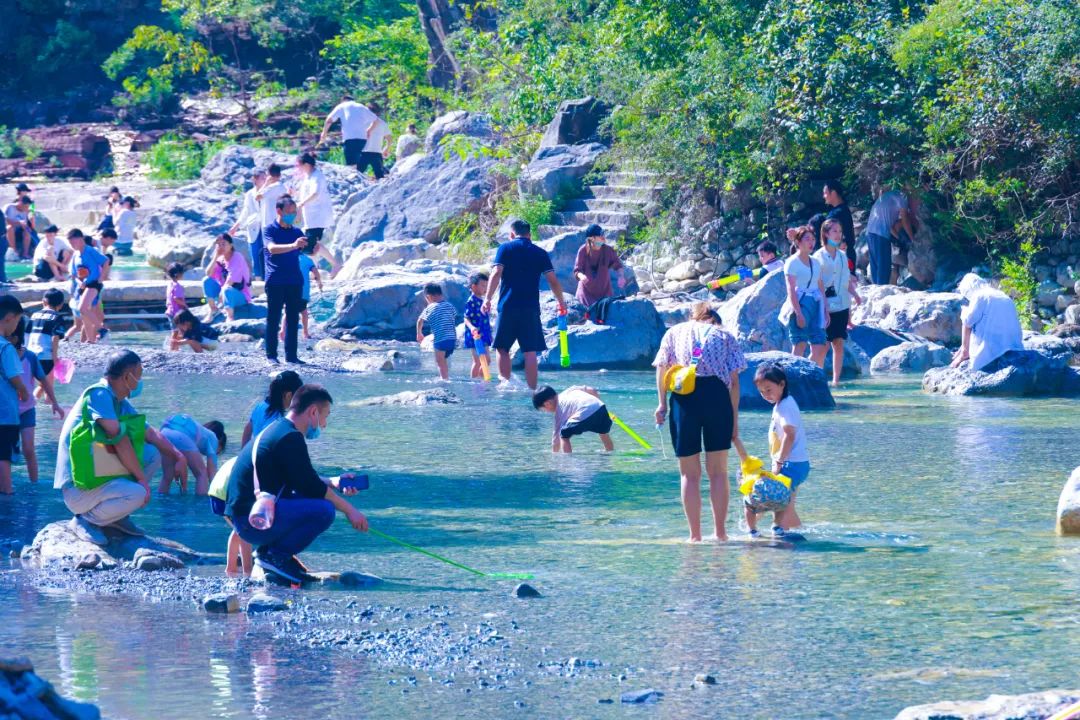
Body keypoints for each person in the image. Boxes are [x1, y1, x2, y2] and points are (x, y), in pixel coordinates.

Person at [224, 384, 369, 584]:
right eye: (325, 416)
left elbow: (302, 479)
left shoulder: (279, 429)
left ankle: (270, 554)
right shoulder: (290, 438)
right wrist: (351, 511)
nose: (324, 424)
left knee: (318, 501)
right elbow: (312, 488)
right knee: (324, 510)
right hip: (251, 522)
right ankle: (275, 556)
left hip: (246, 518)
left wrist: (334, 482)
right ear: (313, 412)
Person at [54, 350, 186, 545]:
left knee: (152, 453)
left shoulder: (119, 401)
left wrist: (179, 456)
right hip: (78, 489)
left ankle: (115, 517)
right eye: (139, 375)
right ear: (127, 377)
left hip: (96, 479)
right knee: (138, 493)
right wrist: (142, 481)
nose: (140, 381)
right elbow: (117, 438)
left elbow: (149, 433)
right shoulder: (99, 394)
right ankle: (86, 520)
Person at [653, 302, 747, 542]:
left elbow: (662, 368)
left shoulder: (674, 332)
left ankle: (694, 537)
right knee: (718, 472)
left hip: (684, 398)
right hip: (717, 397)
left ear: (692, 316)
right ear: (714, 319)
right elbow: (735, 381)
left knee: (689, 474)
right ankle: (721, 534)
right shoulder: (724, 335)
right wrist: (734, 420)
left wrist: (662, 404)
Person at [482, 219, 567, 389]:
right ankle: (533, 390)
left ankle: (505, 386)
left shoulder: (505, 248)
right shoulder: (540, 252)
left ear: (511, 234)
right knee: (530, 351)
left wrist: (487, 299)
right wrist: (561, 302)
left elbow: (496, 273)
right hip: (530, 308)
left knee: (502, 348)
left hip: (507, 306)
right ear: (530, 235)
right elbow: (553, 280)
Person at [750, 364, 811, 536]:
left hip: (790, 464)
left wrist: (778, 462)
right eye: (762, 392)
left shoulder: (785, 406)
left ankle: (782, 539)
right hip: (796, 463)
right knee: (787, 506)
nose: (766, 395)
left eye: (769, 389)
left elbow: (789, 435)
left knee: (779, 504)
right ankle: (801, 534)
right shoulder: (783, 403)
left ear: (782, 384)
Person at [10, 317, 65, 483]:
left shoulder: (30, 357)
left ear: (16, 336)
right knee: (7, 452)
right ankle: (7, 483)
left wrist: (55, 403)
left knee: (28, 449)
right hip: (6, 412)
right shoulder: (3, 356)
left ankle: (34, 483)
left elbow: (44, 381)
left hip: (27, 410)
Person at [813, 219, 862, 385]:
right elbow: (817, 282)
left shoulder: (842, 256)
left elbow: (846, 279)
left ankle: (836, 381)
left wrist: (855, 294)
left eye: (840, 231)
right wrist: (823, 305)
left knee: (839, 342)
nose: (838, 235)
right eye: (834, 231)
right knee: (823, 345)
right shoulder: (818, 257)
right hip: (825, 306)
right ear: (826, 234)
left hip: (842, 304)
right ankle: (817, 379)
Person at [262, 196, 308, 365]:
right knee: (273, 318)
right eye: (289, 212)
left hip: (294, 280)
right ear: (279, 211)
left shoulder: (297, 232)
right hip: (275, 280)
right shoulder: (269, 230)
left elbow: (306, 251)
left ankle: (291, 356)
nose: (292, 215)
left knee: (293, 319)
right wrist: (293, 245)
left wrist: (312, 246)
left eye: (294, 212)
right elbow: (272, 248)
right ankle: (271, 355)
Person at [950, 273, 1024, 371]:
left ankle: (964, 353)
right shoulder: (1001, 294)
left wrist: (964, 311)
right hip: (1014, 344)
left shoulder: (979, 295)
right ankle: (963, 349)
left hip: (993, 350)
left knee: (966, 316)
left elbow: (968, 322)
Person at [780, 225, 830, 368]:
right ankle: (794, 376)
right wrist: (798, 313)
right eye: (807, 239)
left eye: (813, 239)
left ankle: (813, 375)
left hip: (816, 303)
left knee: (820, 345)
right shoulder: (792, 262)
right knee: (799, 344)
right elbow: (791, 289)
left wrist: (826, 309)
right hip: (800, 302)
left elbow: (820, 285)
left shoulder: (815, 262)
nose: (811, 242)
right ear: (798, 242)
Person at [152, 414, 225, 495]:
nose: (216, 453)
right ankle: (201, 501)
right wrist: (218, 494)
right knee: (201, 474)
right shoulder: (214, 438)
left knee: (167, 476)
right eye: (218, 452)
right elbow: (212, 473)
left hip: (164, 432)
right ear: (220, 443)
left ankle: (162, 499)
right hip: (181, 435)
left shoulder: (199, 431)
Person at [0, 296, 30, 494]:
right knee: (3, 455)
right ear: (9, 318)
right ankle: (7, 493)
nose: (17, 326)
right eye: (18, 321)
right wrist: (24, 391)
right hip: (4, 414)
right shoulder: (5, 347)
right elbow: (14, 377)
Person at [293, 153, 340, 276]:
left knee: (309, 245)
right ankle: (316, 271)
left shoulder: (317, 176)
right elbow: (306, 194)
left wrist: (301, 204)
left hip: (318, 216)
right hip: (310, 217)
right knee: (311, 244)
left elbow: (315, 193)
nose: (298, 168)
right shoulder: (308, 177)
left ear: (307, 165)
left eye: (299, 165)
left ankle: (334, 265)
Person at [533, 385, 614, 453]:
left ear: (547, 403)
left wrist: (554, 454)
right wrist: (596, 406)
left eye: (543, 410)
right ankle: (609, 452)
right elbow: (592, 390)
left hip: (585, 411)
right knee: (603, 431)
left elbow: (555, 440)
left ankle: (567, 460)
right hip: (600, 407)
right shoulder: (570, 390)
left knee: (564, 434)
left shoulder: (559, 410)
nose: (546, 412)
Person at [208, 456, 253, 577]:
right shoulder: (256, 461)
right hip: (226, 496)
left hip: (215, 494)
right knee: (245, 532)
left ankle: (231, 569)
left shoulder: (244, 457)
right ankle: (248, 573)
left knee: (238, 531)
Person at [865, 189, 916, 285]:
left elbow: (890, 226)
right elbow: (905, 220)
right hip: (880, 234)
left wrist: (899, 238)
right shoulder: (903, 196)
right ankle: (881, 289)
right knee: (884, 266)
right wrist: (912, 239)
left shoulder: (889, 196)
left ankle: (876, 288)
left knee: (876, 265)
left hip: (870, 232)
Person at [240, 370, 302, 447]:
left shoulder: (261, 406)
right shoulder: (276, 419)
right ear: (288, 395)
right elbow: (266, 443)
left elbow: (248, 429)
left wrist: (244, 451)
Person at [67, 229, 108, 343]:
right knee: (84, 314)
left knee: (82, 308)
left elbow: (105, 261)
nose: (72, 245)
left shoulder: (90, 251)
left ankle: (101, 329)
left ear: (80, 239)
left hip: (93, 284)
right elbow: (74, 274)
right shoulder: (75, 255)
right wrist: (79, 282)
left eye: (73, 242)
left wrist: (101, 277)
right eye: (70, 243)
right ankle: (90, 340)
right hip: (82, 287)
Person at [319, 95, 377, 174]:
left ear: (343, 100)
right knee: (360, 165)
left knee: (351, 166)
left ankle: (355, 179)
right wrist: (369, 131)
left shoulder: (342, 106)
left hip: (350, 139)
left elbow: (329, 120)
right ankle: (361, 177)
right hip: (363, 139)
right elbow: (375, 120)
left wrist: (324, 133)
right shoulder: (360, 106)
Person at [573, 224, 626, 308]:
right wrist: (582, 276)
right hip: (585, 295)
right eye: (600, 235)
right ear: (592, 238)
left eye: (603, 235)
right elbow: (577, 271)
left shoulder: (608, 250)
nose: (603, 238)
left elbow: (618, 266)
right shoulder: (583, 251)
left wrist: (621, 276)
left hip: (605, 294)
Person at [202, 234, 251, 321]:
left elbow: (232, 279)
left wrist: (222, 293)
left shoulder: (237, 257)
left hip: (240, 295)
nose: (221, 247)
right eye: (218, 244)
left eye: (223, 244)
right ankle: (213, 309)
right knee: (206, 280)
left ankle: (230, 316)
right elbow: (208, 274)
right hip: (224, 292)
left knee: (226, 289)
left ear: (231, 245)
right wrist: (215, 257)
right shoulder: (221, 259)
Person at [28, 289, 67, 397]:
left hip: (30, 355)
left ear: (44, 301)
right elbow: (55, 338)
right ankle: (46, 405)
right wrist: (55, 359)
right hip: (45, 356)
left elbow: (26, 335)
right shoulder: (57, 317)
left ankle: (32, 403)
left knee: (41, 385)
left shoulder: (34, 315)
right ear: (61, 304)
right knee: (47, 386)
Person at [253, 164, 287, 281]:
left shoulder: (272, 187)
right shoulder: (282, 187)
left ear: (269, 175)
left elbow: (257, 197)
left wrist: (265, 184)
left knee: (269, 250)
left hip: (268, 223)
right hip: (279, 222)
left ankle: (270, 276)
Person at [416, 283, 457, 381]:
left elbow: (420, 321)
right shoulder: (449, 305)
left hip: (440, 339)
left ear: (428, 297)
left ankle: (444, 380)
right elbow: (453, 316)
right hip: (452, 339)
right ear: (441, 294)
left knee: (440, 361)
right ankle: (446, 376)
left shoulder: (429, 308)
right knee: (445, 359)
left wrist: (419, 333)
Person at [228, 167, 265, 271]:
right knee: (255, 257)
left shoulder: (268, 191)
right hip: (254, 227)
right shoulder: (249, 194)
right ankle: (258, 278)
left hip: (266, 226)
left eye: (265, 178)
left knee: (268, 256)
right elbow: (246, 211)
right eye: (262, 178)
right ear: (255, 179)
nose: (265, 180)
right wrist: (236, 226)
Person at [281, 252, 321, 341]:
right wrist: (319, 282)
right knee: (304, 312)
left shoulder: (287, 258)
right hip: (303, 290)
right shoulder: (307, 260)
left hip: (289, 289)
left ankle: (282, 331)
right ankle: (305, 332)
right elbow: (316, 272)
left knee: (287, 312)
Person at [463, 271, 492, 379]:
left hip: (484, 334)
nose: (485, 288)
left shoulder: (482, 301)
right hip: (475, 335)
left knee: (487, 360)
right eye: (483, 286)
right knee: (478, 361)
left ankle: (482, 379)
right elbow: (466, 318)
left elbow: (485, 319)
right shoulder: (471, 301)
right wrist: (472, 328)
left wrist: (489, 334)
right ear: (473, 286)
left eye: (486, 286)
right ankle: (476, 380)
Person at [823, 180, 856, 270]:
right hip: (847, 254)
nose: (824, 196)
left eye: (825, 193)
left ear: (833, 193)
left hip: (842, 256)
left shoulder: (837, 213)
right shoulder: (843, 209)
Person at [360, 104, 392, 180]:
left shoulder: (361, 122)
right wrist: (387, 148)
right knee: (380, 176)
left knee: (357, 174)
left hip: (363, 152)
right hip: (376, 152)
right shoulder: (382, 123)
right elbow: (389, 138)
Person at [5, 194, 34, 260]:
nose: (26, 208)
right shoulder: (9, 207)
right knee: (10, 228)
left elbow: (25, 223)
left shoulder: (25, 211)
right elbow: (4, 220)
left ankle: (25, 253)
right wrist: (17, 223)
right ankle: (14, 251)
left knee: (27, 230)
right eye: (25, 206)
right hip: (7, 230)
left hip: (18, 231)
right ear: (20, 203)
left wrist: (26, 226)